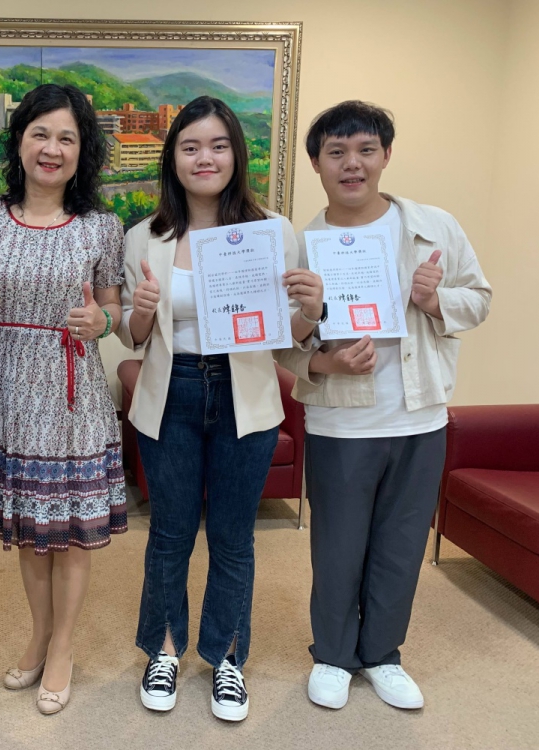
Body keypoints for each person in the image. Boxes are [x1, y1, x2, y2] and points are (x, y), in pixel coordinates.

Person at [117, 96, 323, 721]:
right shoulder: (144, 236)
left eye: (217, 145)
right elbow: (131, 336)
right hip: (171, 392)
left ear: (236, 154)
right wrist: (141, 312)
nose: (204, 158)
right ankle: (165, 650)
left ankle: (227, 655)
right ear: (173, 159)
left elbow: (287, 337)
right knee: (171, 534)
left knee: (234, 537)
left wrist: (313, 312)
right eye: (190, 147)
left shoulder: (273, 232)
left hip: (245, 395)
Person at [290, 101, 491, 711]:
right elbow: (282, 343)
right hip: (340, 420)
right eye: (336, 152)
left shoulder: (433, 227)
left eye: (365, 150)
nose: (352, 164)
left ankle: (382, 655)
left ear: (386, 155)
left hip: (420, 415)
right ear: (317, 164)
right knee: (337, 549)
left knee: (401, 546)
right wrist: (322, 353)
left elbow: (479, 299)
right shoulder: (302, 245)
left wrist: (434, 302)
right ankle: (332, 655)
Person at [0, 83, 125, 715]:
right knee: (31, 530)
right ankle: (38, 634)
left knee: (72, 532)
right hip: (9, 384)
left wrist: (101, 322)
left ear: (83, 151)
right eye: (40, 134)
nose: (52, 149)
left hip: (72, 386)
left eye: (66, 138)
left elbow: (113, 310)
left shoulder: (101, 226)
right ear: (19, 141)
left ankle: (63, 646)